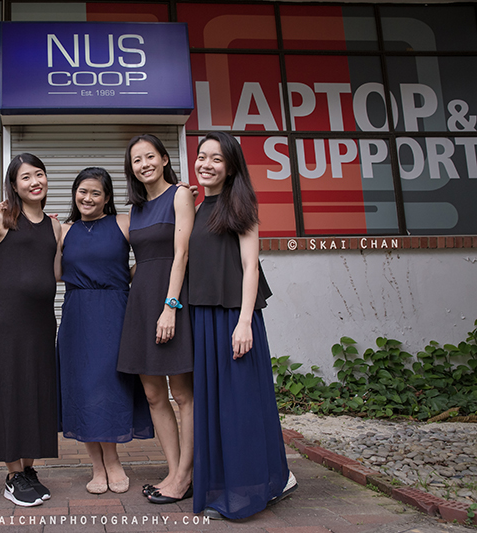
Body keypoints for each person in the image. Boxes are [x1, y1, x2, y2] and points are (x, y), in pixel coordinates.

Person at [190, 131, 297, 520]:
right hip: (203, 318)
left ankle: (261, 484)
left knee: (242, 405)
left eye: (216, 159)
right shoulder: (195, 208)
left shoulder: (241, 204)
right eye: (202, 156)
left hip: (235, 318)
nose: (206, 164)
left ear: (231, 167)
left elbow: (251, 267)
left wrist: (245, 322)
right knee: (215, 406)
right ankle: (228, 482)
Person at [57, 167, 154, 495]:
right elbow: (53, 271)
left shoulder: (124, 222)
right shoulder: (63, 230)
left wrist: (125, 276)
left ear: (107, 197)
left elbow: (153, 252)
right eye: (82, 191)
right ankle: (97, 466)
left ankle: (112, 461)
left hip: (115, 312)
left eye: (95, 193)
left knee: (109, 385)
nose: (87, 198)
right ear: (74, 193)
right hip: (77, 315)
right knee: (83, 388)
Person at [117, 134, 195, 504]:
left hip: (170, 301)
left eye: (150, 156)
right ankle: (175, 470)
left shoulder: (180, 195)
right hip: (141, 302)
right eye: (137, 160)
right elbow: (143, 260)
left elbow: (181, 254)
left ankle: (186, 475)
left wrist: (170, 306)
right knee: (152, 394)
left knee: (182, 393)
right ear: (131, 169)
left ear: (164, 159)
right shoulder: (135, 210)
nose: (144, 164)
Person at [0, 153, 62, 507]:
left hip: (42, 321)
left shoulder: (54, 226)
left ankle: (29, 469)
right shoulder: (3, 218)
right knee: (10, 390)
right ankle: (13, 474)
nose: (35, 182)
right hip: (7, 320)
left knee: (37, 390)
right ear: (14, 186)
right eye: (26, 177)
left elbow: (56, 271)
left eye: (39, 174)